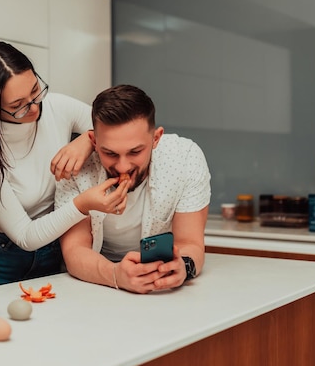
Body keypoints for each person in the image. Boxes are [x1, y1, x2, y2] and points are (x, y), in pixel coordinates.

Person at [0, 40, 125, 292]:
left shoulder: (56, 106)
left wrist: (86, 142)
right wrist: (82, 205)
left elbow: (111, 129)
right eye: (18, 105)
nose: (35, 107)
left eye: (35, 90)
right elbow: (26, 236)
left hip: (52, 256)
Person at [56, 84, 211, 294]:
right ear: (93, 140)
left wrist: (184, 266)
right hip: (93, 284)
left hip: (159, 288)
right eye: (109, 153)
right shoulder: (74, 168)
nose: (122, 166)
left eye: (135, 152)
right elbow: (75, 250)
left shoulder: (184, 158)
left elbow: (190, 242)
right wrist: (115, 275)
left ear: (156, 138)